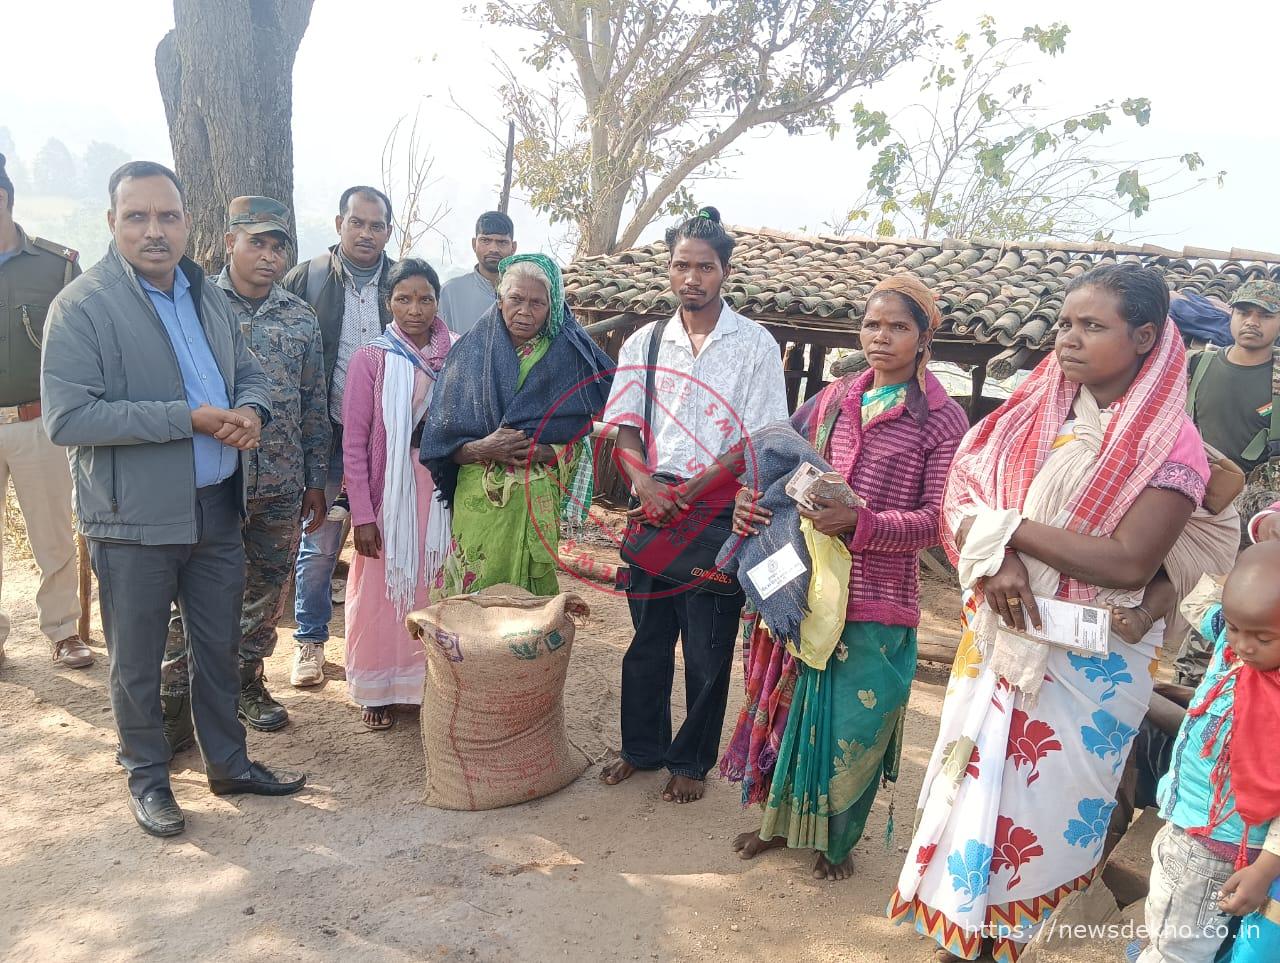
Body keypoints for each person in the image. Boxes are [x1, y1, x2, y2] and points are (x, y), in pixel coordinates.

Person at [887, 263, 1209, 961]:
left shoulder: (1170, 443)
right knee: (970, 805)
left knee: (1043, 820)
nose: (1068, 338)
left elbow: (1127, 559)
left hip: (1087, 671)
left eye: (1092, 326)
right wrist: (997, 555)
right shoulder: (1036, 410)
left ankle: (1001, 945)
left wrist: (1009, 531)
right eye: (1065, 322)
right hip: (1001, 638)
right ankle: (958, 943)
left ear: (1146, 337)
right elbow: (965, 491)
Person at [41, 161, 305, 837]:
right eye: (138, 216)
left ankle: (229, 762)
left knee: (217, 650)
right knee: (137, 661)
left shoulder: (204, 295)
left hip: (216, 506)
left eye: (167, 216)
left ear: (189, 224)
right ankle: (149, 778)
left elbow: (245, 374)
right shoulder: (83, 305)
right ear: (112, 223)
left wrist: (250, 409)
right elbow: (68, 419)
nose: (154, 231)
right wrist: (185, 417)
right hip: (131, 518)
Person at [724, 275, 968, 880]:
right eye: (872, 325)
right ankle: (776, 824)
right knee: (785, 709)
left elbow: (937, 520)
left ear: (923, 336)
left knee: (852, 724)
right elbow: (777, 455)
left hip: (875, 595)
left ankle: (837, 843)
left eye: (898, 327)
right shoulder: (835, 398)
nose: (881, 338)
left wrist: (858, 524)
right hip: (802, 583)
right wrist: (749, 500)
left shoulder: (941, 419)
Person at [598, 207, 788, 805]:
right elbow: (624, 426)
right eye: (682, 265)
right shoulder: (644, 340)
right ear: (670, 269)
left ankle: (692, 759)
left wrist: (699, 490)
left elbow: (759, 438)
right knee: (647, 641)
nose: (691, 278)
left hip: (718, 513)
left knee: (707, 646)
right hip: (654, 507)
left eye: (704, 267)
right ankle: (642, 748)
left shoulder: (755, 344)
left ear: (724, 273)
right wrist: (646, 487)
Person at [160, 197, 330, 739]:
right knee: (190, 590)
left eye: (278, 246)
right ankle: (176, 696)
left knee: (266, 587)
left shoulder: (300, 318)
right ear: (229, 241)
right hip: (210, 479)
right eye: (257, 241)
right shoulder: (194, 305)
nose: (269, 255)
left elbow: (313, 402)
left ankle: (246, 682)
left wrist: (315, 479)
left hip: (279, 481)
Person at [421, 252, 613, 597]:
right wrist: (485, 447)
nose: (525, 311)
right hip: (479, 502)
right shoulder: (469, 353)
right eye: (516, 299)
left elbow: (578, 436)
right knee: (473, 589)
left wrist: (544, 450)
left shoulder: (570, 357)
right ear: (500, 300)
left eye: (537, 303)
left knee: (530, 599)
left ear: (553, 306)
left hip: (536, 499)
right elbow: (442, 442)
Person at [1135, 542, 1280, 963]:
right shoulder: (1229, 643)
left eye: (1263, 637)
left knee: (1177, 954)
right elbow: (1200, 597)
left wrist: (1265, 868)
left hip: (1218, 851)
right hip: (1187, 830)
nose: (1244, 645)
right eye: (1235, 627)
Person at [281, 186, 394, 688]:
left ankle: (383, 647)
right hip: (325, 434)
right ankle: (309, 642)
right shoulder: (307, 278)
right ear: (339, 223)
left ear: (388, 231)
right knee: (320, 542)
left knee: (389, 541)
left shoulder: (402, 280)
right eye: (358, 223)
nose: (366, 233)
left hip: (386, 440)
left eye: (376, 225)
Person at [341, 258, 453, 730]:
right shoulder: (372, 358)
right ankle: (378, 688)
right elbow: (354, 440)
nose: (415, 309)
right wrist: (362, 514)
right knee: (382, 592)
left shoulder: (459, 354)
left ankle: (431, 685)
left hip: (443, 489)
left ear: (437, 302)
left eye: (425, 298)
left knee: (436, 584)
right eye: (404, 298)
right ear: (388, 303)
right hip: (390, 491)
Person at [0, 151, 93, 670]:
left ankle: (62, 631)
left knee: (52, 532)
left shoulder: (56, 266)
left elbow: (82, 344)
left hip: (38, 422)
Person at [1186, 281, 1279, 481]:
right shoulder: (1195, 365)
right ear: (1232, 316)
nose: (1252, 322)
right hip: (1196, 485)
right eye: (1243, 313)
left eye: (1266, 315)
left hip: (1259, 496)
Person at [437, 211, 515, 337]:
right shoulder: (450, 292)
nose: (493, 249)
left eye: (502, 242)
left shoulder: (524, 293)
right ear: (474, 244)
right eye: (486, 240)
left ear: (513, 248)